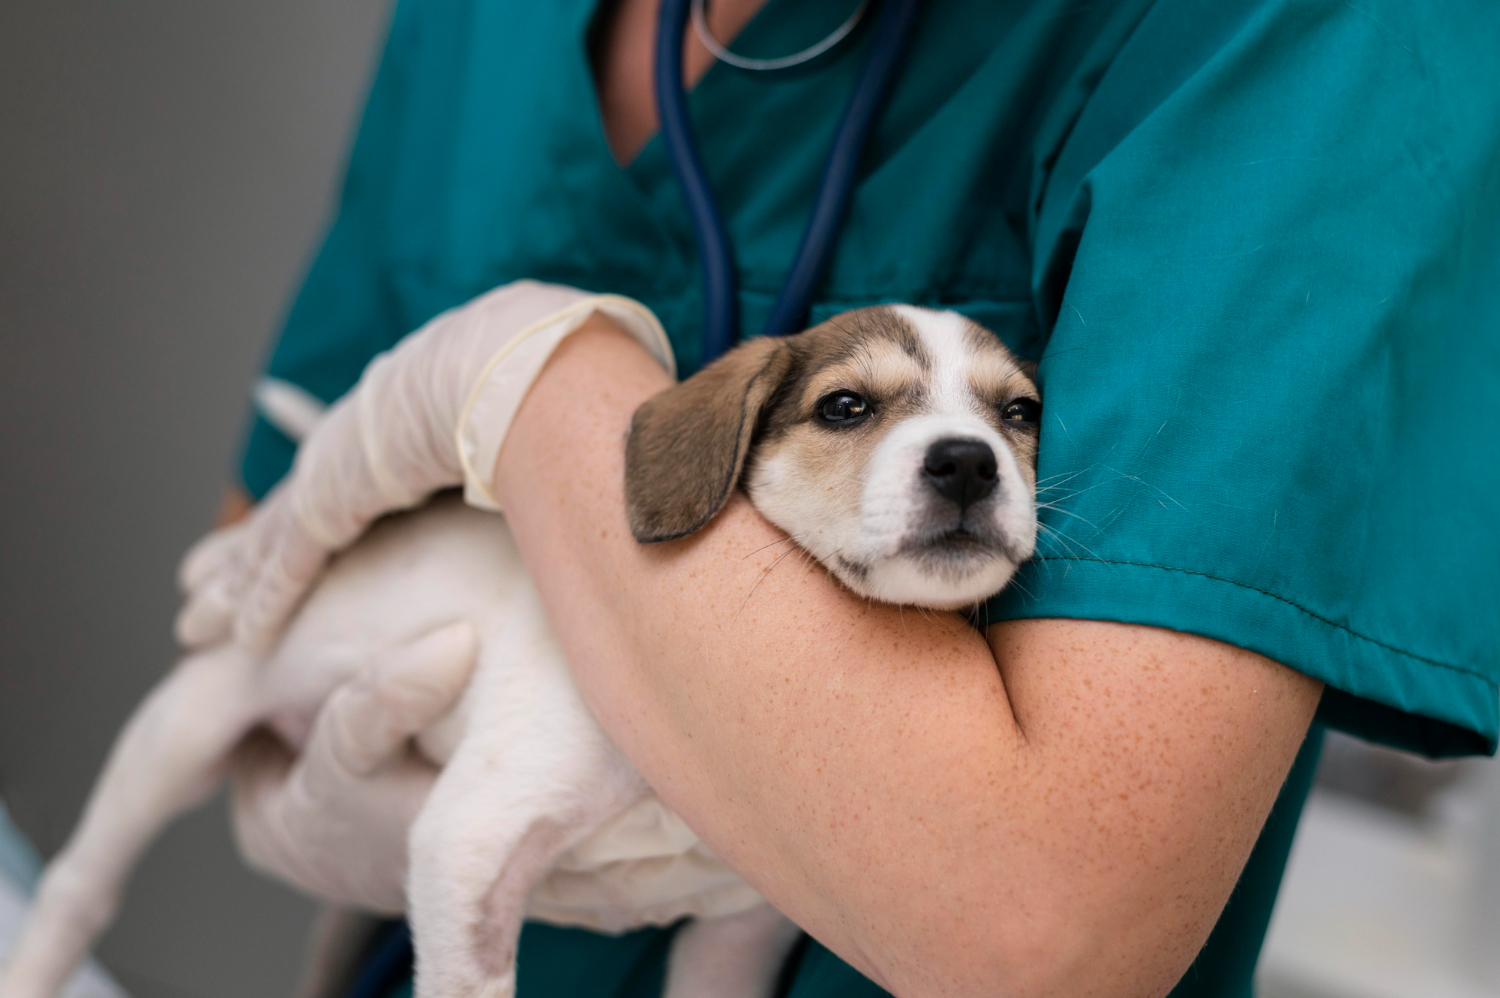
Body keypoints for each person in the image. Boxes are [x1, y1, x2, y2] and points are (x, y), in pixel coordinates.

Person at [190, 0, 1500, 995]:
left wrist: (534, 382)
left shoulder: (1303, 35)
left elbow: (1039, 917)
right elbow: (248, 589)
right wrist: (379, 818)